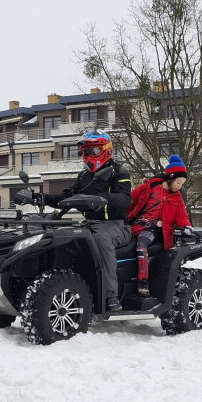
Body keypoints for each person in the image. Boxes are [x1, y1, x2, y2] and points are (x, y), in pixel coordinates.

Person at [36, 129, 132, 312]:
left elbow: (125, 199)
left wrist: (104, 198)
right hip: (89, 225)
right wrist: (42, 198)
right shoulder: (84, 176)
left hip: (116, 226)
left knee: (101, 240)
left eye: (93, 150)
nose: (88, 155)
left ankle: (111, 296)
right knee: (65, 238)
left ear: (106, 149)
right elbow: (68, 198)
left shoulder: (119, 172)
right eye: (85, 151)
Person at [127, 155, 193, 297]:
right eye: (178, 182)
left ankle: (143, 282)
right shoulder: (149, 188)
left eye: (182, 184)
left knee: (141, 246)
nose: (180, 186)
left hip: (152, 229)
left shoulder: (177, 198)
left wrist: (187, 226)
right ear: (170, 177)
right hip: (134, 226)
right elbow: (129, 201)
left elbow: (182, 216)